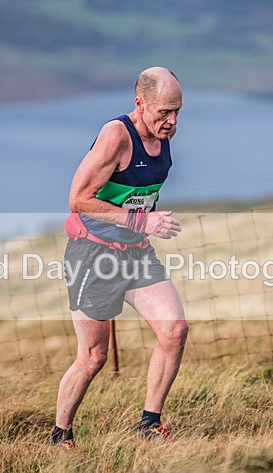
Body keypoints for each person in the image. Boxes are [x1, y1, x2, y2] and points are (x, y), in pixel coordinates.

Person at [48, 67, 189, 450]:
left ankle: (149, 424)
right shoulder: (116, 135)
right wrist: (142, 220)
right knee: (93, 357)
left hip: (135, 252)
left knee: (174, 331)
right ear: (139, 104)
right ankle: (60, 435)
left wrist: (141, 223)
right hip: (93, 254)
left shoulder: (164, 134)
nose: (172, 121)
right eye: (163, 112)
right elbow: (78, 199)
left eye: (177, 111)